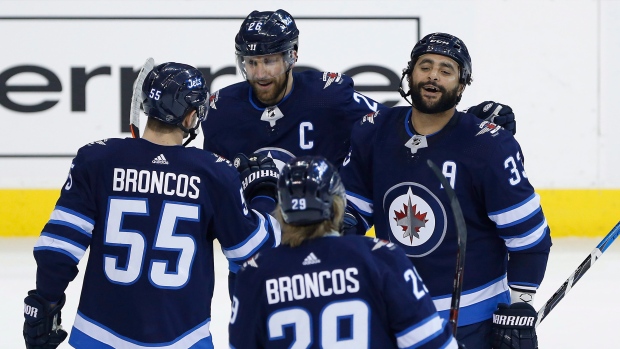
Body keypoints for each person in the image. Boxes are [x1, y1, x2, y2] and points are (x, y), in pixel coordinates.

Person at [22, 62, 280, 349]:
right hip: (184, 338)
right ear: (192, 115)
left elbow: (58, 246)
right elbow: (251, 250)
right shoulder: (214, 174)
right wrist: (263, 193)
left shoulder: (97, 160)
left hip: (98, 336)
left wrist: (44, 301)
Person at [339, 32, 551, 349]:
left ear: (462, 85)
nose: (433, 76)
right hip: (394, 316)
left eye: (446, 69)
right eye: (425, 66)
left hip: (473, 324)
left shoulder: (488, 147)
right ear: (409, 73)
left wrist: (519, 307)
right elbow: (352, 213)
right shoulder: (374, 132)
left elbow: (529, 237)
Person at [202, 9, 516, 173]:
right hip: (255, 252)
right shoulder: (221, 110)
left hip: (325, 245)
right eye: (251, 62)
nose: (259, 73)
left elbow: (395, 125)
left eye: (269, 61)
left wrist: (464, 125)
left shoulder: (328, 95)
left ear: (292, 56)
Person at [229, 156, 461, 349]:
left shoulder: (255, 272)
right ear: (338, 204)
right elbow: (430, 344)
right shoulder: (382, 258)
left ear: (281, 210)